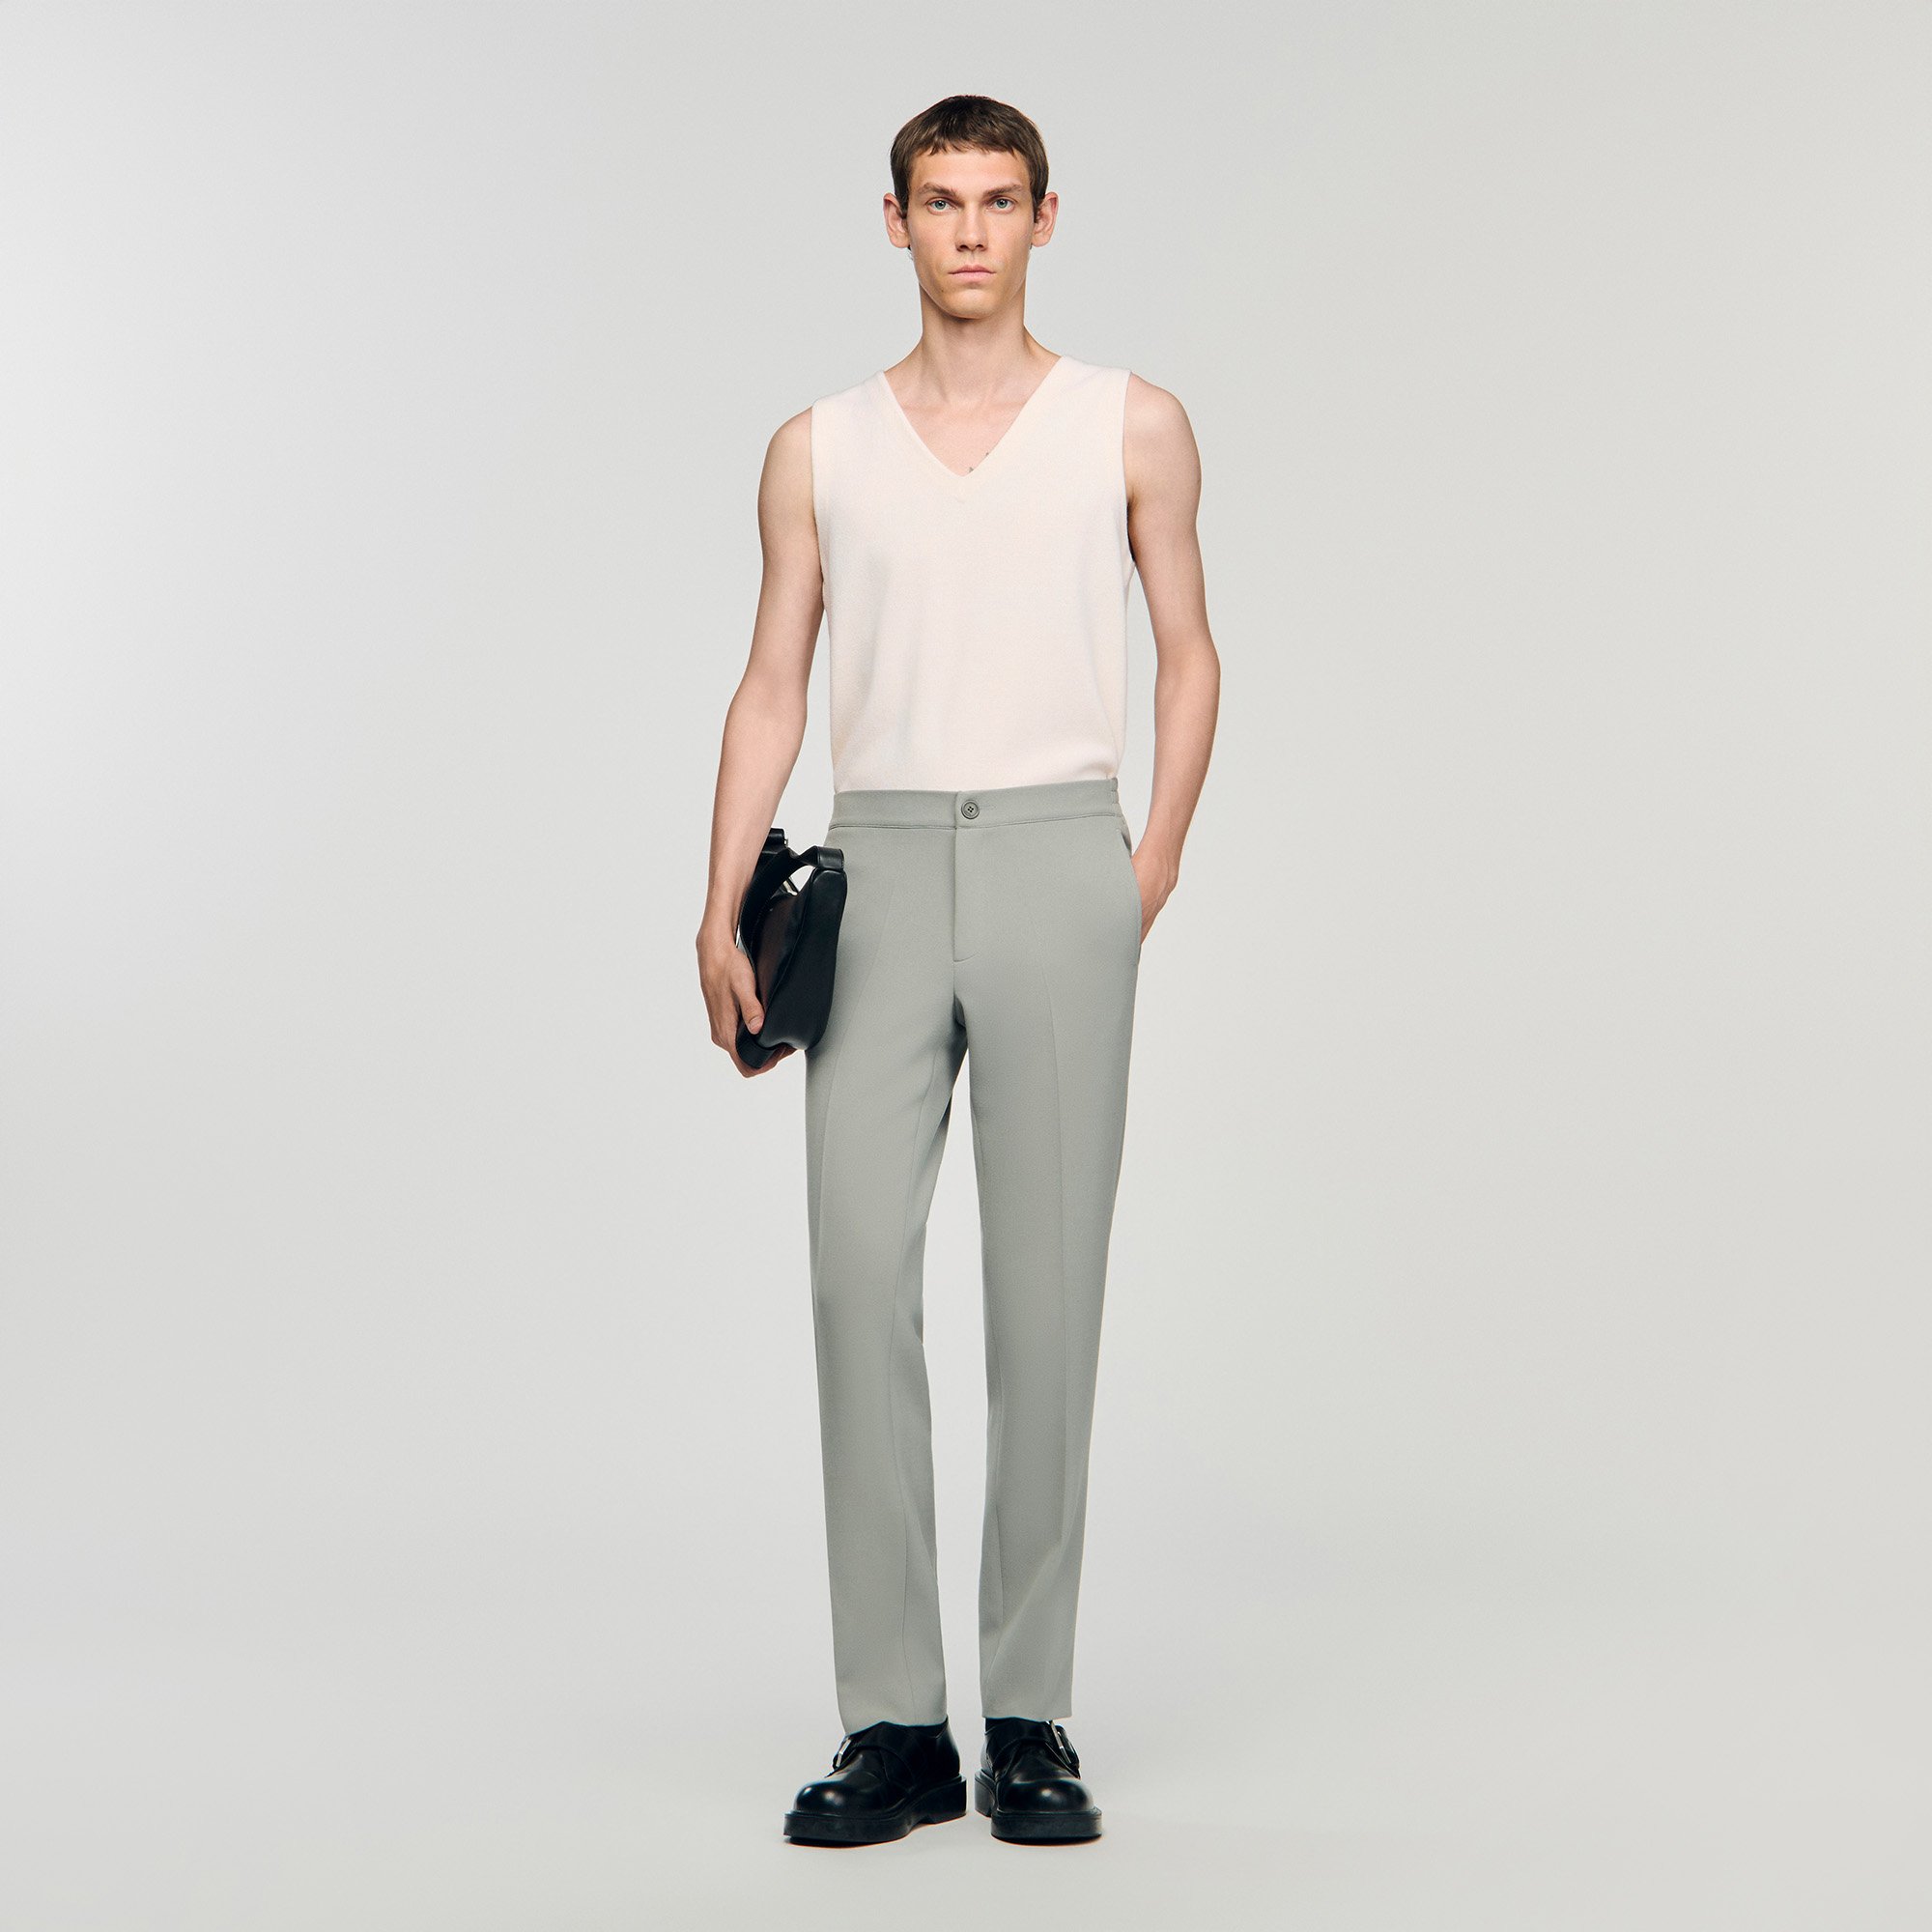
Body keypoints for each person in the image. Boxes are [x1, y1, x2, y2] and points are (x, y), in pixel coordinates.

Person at [696, 93, 1220, 1846]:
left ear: (1046, 218)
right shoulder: (820, 447)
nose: (972, 231)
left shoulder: (1132, 423)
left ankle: (1030, 1713)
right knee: (857, 1281)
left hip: (1063, 858)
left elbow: (1191, 650)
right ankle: (896, 1722)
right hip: (883, 865)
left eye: (1000, 201)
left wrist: (1148, 860)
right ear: (897, 221)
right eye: (941, 201)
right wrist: (718, 899)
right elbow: (774, 680)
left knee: (1048, 1299)